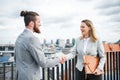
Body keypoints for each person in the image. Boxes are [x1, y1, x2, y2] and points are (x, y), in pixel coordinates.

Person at [14, 10, 66, 80]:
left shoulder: (19, 37)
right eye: (38, 22)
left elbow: (16, 59)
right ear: (31, 24)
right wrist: (59, 59)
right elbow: (43, 62)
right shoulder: (32, 39)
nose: (40, 24)